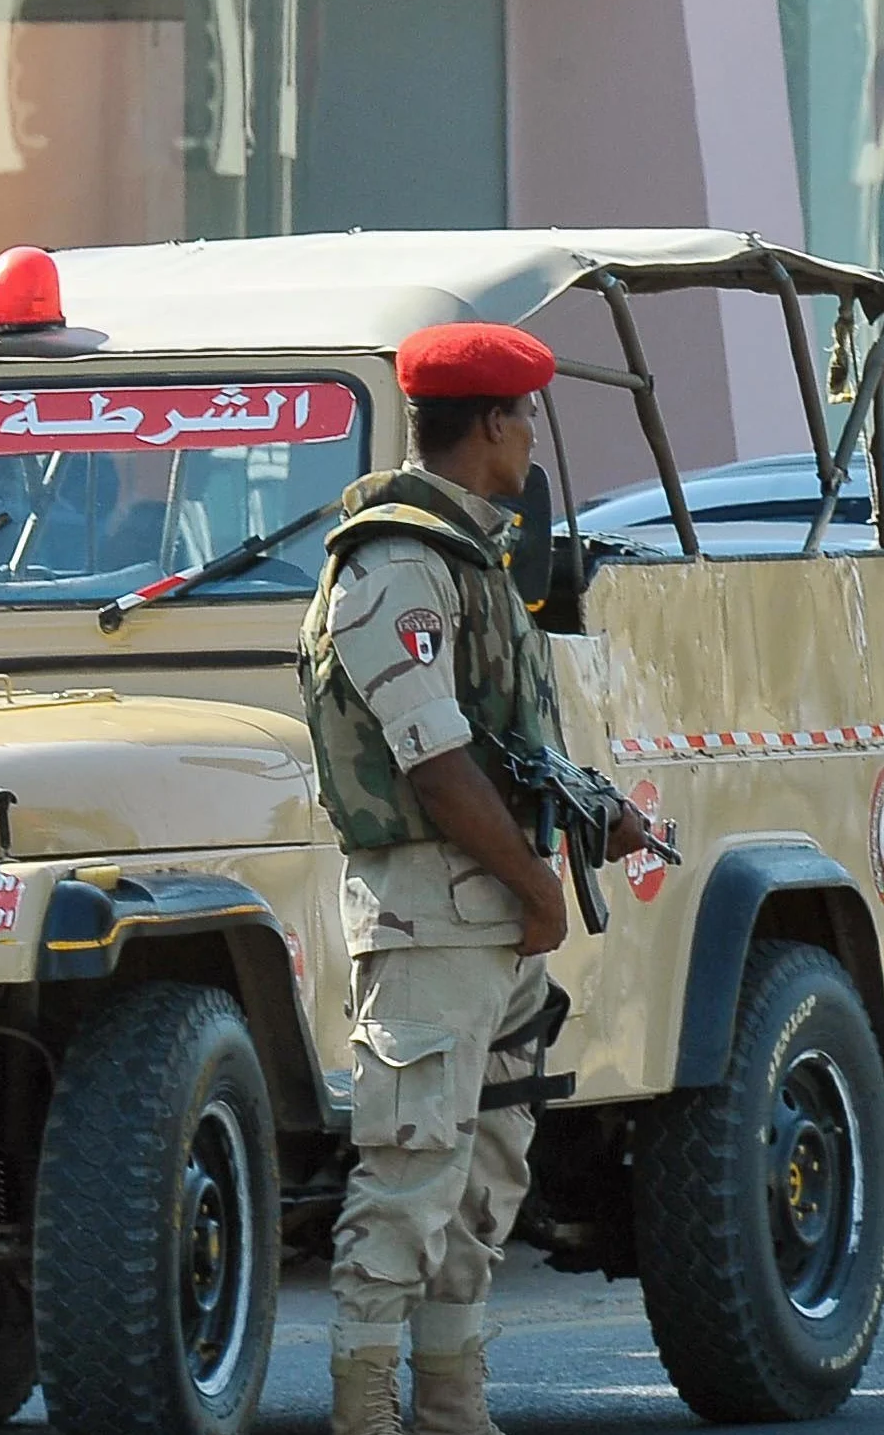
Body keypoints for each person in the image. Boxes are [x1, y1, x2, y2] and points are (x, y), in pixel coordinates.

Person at [304, 321, 652, 1435]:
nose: (532, 436)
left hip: (483, 913)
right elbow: (435, 761)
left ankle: (453, 1411)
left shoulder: (469, 555)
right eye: (526, 416)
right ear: (494, 424)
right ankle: (365, 1415)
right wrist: (541, 889)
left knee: (482, 1173)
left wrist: (588, 821)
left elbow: (496, 751)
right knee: (410, 1169)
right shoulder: (393, 561)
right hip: (429, 912)